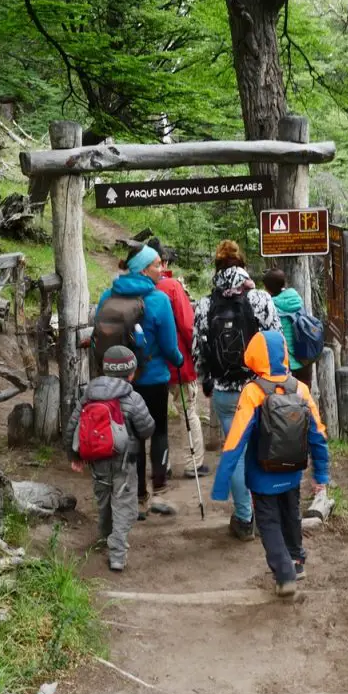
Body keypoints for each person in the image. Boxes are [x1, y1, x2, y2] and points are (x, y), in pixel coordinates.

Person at [211, 329, 329, 597]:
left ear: (254, 356)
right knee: (291, 514)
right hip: (293, 471)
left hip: (262, 475)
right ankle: (297, 561)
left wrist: (221, 486)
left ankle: (285, 575)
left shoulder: (253, 392)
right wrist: (321, 474)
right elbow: (318, 435)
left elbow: (236, 441)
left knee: (269, 523)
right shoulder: (300, 389)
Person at [193, 239, 281, 540]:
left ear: (217, 269)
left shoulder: (205, 305)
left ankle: (244, 519)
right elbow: (276, 343)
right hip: (261, 388)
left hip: (226, 393)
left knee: (237, 455)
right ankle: (271, 514)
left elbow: (198, 351)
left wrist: (207, 381)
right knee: (266, 450)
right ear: (243, 265)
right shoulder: (261, 300)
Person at [96, 245, 184, 511]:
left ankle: (137, 493)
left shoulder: (107, 296)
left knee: (130, 434)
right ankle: (158, 484)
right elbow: (169, 346)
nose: (162, 269)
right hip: (154, 378)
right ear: (144, 269)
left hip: (119, 381)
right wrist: (179, 360)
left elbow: (99, 335)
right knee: (157, 431)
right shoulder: (158, 300)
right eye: (157, 265)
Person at [65, 346, 155, 572]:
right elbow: (146, 429)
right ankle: (117, 553)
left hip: (97, 459)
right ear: (131, 373)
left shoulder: (88, 394)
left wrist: (73, 455)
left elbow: (72, 426)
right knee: (124, 503)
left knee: (103, 498)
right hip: (125, 460)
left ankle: (106, 535)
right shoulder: (133, 398)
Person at [152, 240, 208, 479]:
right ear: (163, 262)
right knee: (188, 412)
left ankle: (160, 465)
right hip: (178, 362)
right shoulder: (173, 287)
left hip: (151, 365)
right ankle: (192, 463)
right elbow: (187, 325)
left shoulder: (139, 289)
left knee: (155, 416)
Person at [263, 267, 313, 387]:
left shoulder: (271, 307)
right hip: (305, 360)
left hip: (286, 363)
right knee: (304, 399)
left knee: (288, 402)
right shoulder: (296, 299)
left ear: (267, 288)